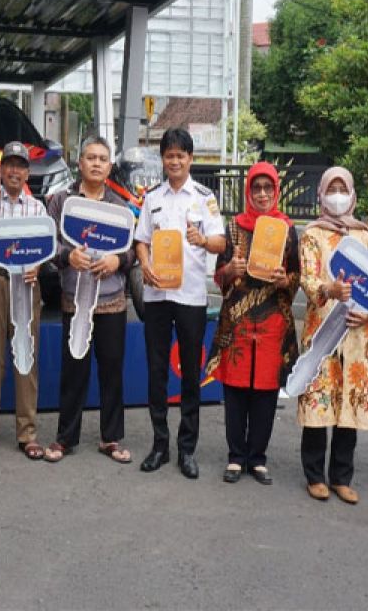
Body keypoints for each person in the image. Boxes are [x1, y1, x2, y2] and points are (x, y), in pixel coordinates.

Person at [135, 128, 226, 480]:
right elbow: (141, 241)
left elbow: (220, 242)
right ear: (163, 159)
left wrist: (202, 238)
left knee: (190, 374)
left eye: (181, 155)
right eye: (169, 155)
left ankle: (187, 449)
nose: (175, 161)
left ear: (190, 159)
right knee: (156, 371)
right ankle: (160, 444)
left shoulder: (204, 197)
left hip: (190, 296)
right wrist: (143, 263)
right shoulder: (152, 198)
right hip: (157, 295)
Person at [205, 161, 299, 487]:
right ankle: (235, 456)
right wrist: (231, 268)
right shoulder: (234, 229)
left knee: (265, 394)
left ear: (275, 191)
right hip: (238, 324)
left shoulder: (287, 230)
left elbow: (297, 276)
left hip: (273, 323)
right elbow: (219, 275)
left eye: (268, 188)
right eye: (256, 188)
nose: (262, 194)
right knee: (235, 392)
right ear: (249, 191)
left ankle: (257, 458)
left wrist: (285, 279)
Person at [43, 137, 135, 465]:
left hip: (111, 300)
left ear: (109, 166)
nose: (96, 163)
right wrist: (68, 257)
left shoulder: (120, 207)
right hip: (75, 300)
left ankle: (111, 438)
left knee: (112, 371)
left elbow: (133, 250)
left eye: (102, 159)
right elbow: (47, 243)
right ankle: (65, 438)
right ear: (79, 163)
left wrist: (117, 261)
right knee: (74, 371)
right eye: (90, 157)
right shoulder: (61, 201)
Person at [297, 167, 368, 505]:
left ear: (353, 193)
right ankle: (315, 475)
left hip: (358, 332)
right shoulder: (312, 234)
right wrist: (327, 289)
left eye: (343, 188)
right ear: (321, 193)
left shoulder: (365, 236)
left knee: (349, 400)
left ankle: (342, 476)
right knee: (320, 395)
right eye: (332, 188)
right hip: (323, 327)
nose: (338, 194)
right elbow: (307, 277)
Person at [0, 142, 47, 461]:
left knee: (25, 357)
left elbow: (47, 246)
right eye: (9, 165)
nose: (14, 171)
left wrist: (38, 265)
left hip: (25, 285)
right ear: (0, 169)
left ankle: (27, 433)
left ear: (27, 172)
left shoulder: (37, 208)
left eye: (20, 165)